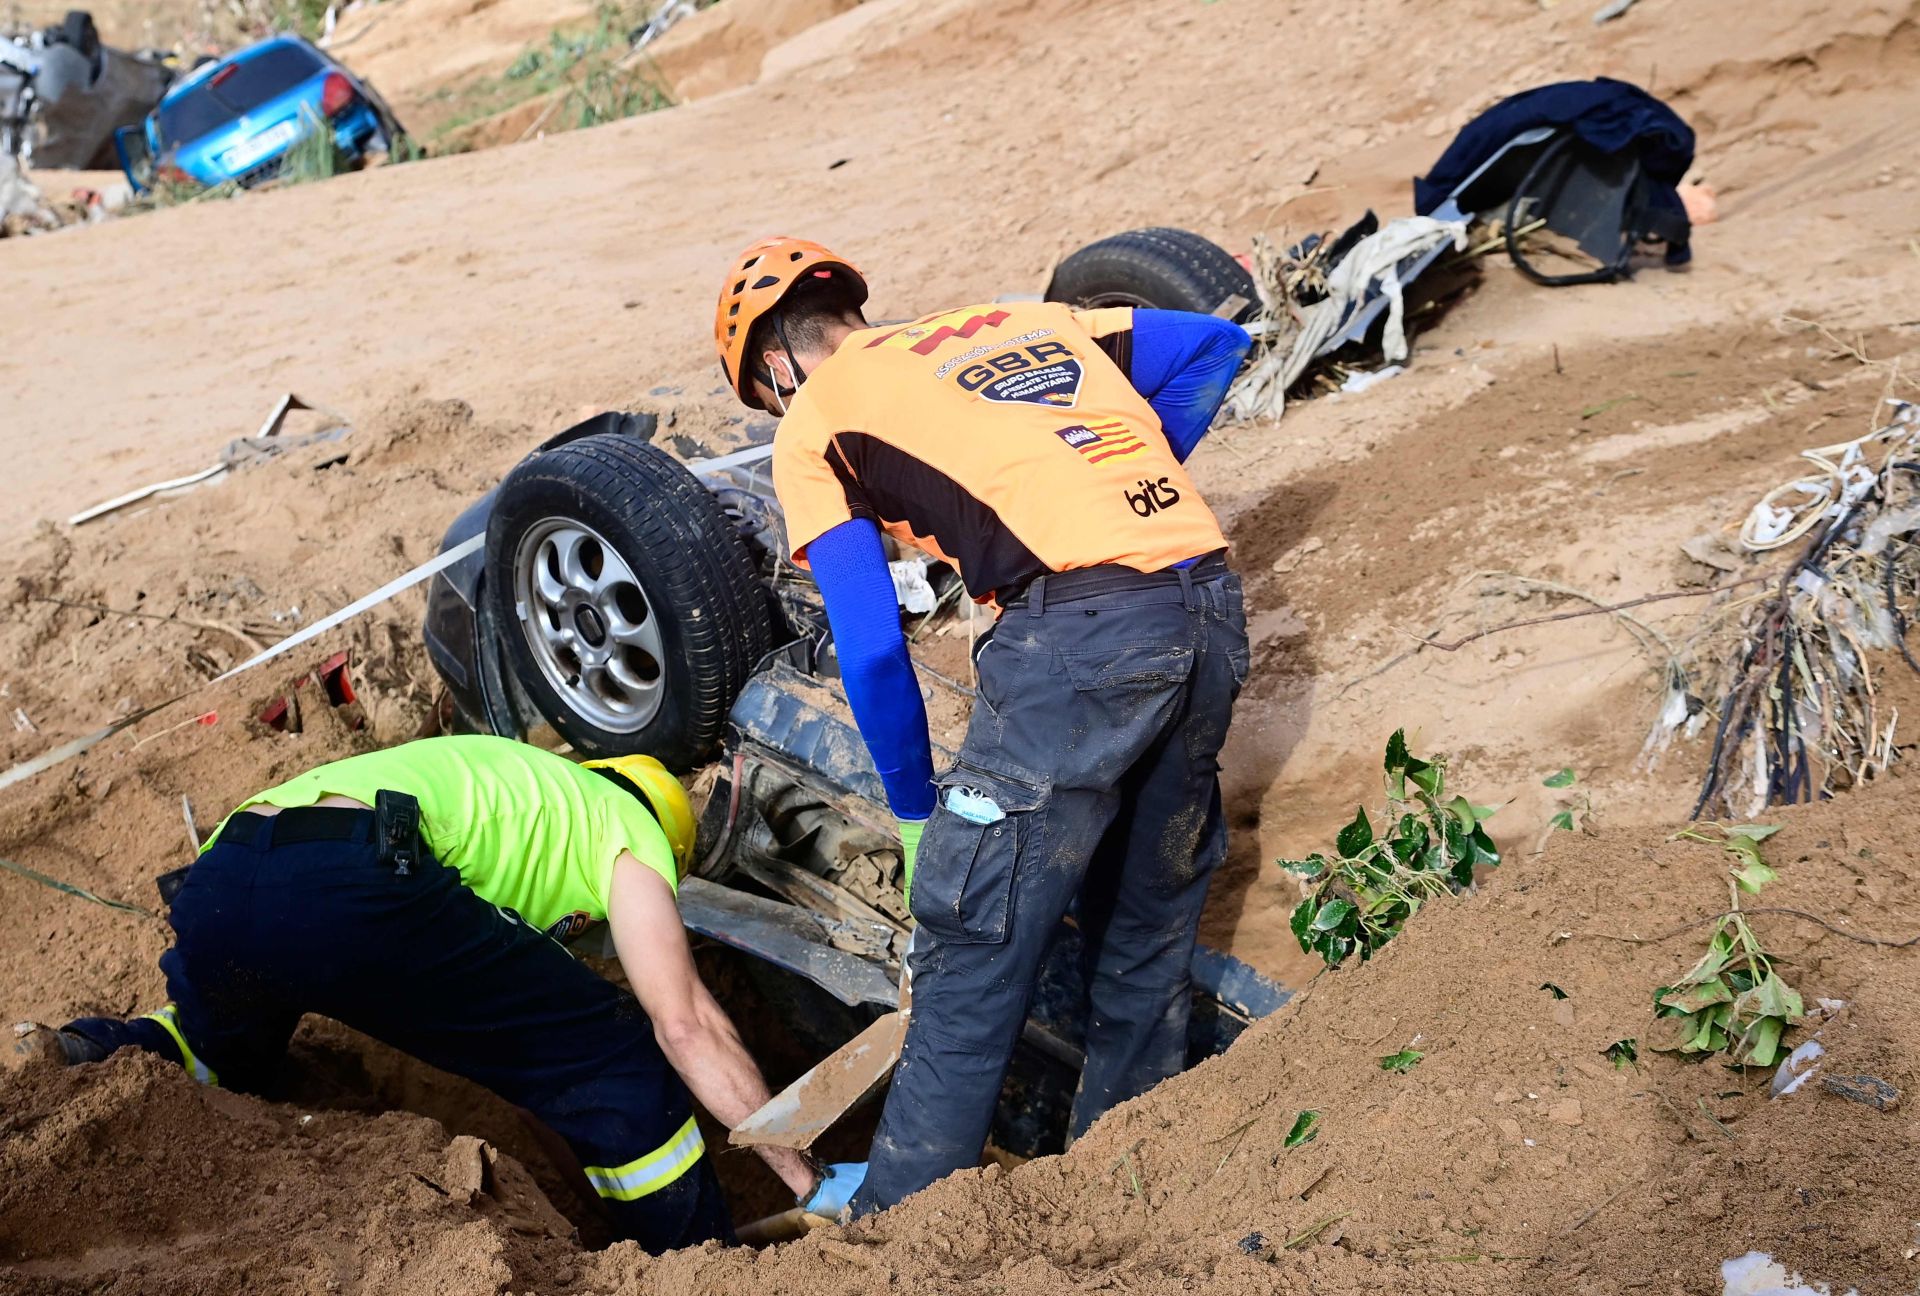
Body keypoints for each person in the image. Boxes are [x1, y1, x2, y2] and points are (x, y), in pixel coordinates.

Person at [712, 237, 1253, 1216]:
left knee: (968, 935)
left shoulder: (813, 426)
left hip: (1078, 639)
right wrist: (1099, 495)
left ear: (779, 367)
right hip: (1207, 603)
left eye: (770, 392)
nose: (781, 407)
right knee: (1142, 932)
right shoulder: (1023, 321)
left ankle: (900, 1232)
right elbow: (1214, 341)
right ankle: (1126, 1192)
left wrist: (919, 821)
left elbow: (872, 648)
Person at [9, 734, 865, 1251]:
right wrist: (804, 1178)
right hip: (359, 878)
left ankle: (92, 1049)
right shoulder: (628, 832)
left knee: (220, 1039)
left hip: (231, 869)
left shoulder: (520, 786)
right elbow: (687, 1024)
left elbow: (522, 1042)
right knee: (611, 1053)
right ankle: (696, 1260)